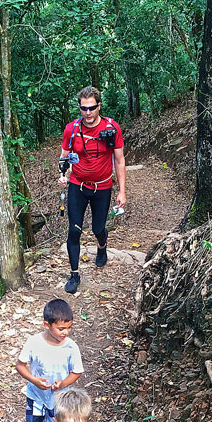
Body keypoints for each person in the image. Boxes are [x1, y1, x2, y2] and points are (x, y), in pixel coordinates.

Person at [59, 86, 126, 295]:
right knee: (74, 230)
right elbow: (64, 156)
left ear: (99, 106)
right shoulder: (72, 129)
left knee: (98, 228)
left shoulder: (111, 128)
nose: (88, 113)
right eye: (83, 108)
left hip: (103, 186)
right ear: (79, 108)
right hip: (78, 185)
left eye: (92, 108)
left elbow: (119, 160)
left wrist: (122, 191)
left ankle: (102, 245)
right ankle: (74, 274)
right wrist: (64, 173)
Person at [16, 298, 84, 422]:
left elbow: (77, 372)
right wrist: (34, 380)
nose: (65, 333)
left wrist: (63, 384)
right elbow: (20, 365)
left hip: (60, 402)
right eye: (61, 328)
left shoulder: (71, 347)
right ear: (47, 325)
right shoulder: (34, 342)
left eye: (69, 328)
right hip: (36, 397)